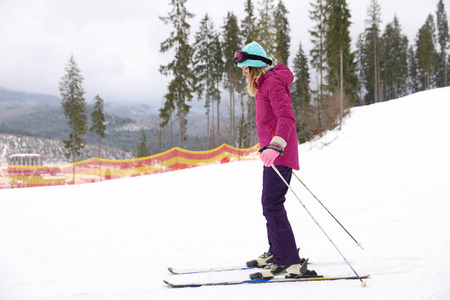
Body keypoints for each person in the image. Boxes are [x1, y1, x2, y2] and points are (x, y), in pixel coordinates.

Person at [234, 41, 303, 279]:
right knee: (269, 203)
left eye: (244, 66)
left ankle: (289, 260)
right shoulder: (264, 83)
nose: (242, 71)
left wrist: (275, 145)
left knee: (272, 204)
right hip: (274, 154)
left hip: (280, 153)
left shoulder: (272, 82)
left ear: (253, 65)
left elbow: (286, 117)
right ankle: (277, 251)